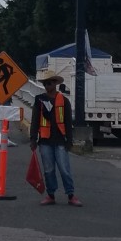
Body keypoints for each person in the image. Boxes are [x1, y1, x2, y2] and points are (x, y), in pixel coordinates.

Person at [30, 69, 82, 207]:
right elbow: (35, 120)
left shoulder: (64, 101)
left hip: (60, 140)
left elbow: (68, 122)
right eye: (46, 83)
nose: (48, 85)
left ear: (55, 84)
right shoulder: (39, 100)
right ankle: (51, 195)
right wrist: (33, 139)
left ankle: (71, 195)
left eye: (50, 82)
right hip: (45, 141)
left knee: (64, 169)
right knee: (48, 170)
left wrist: (69, 141)